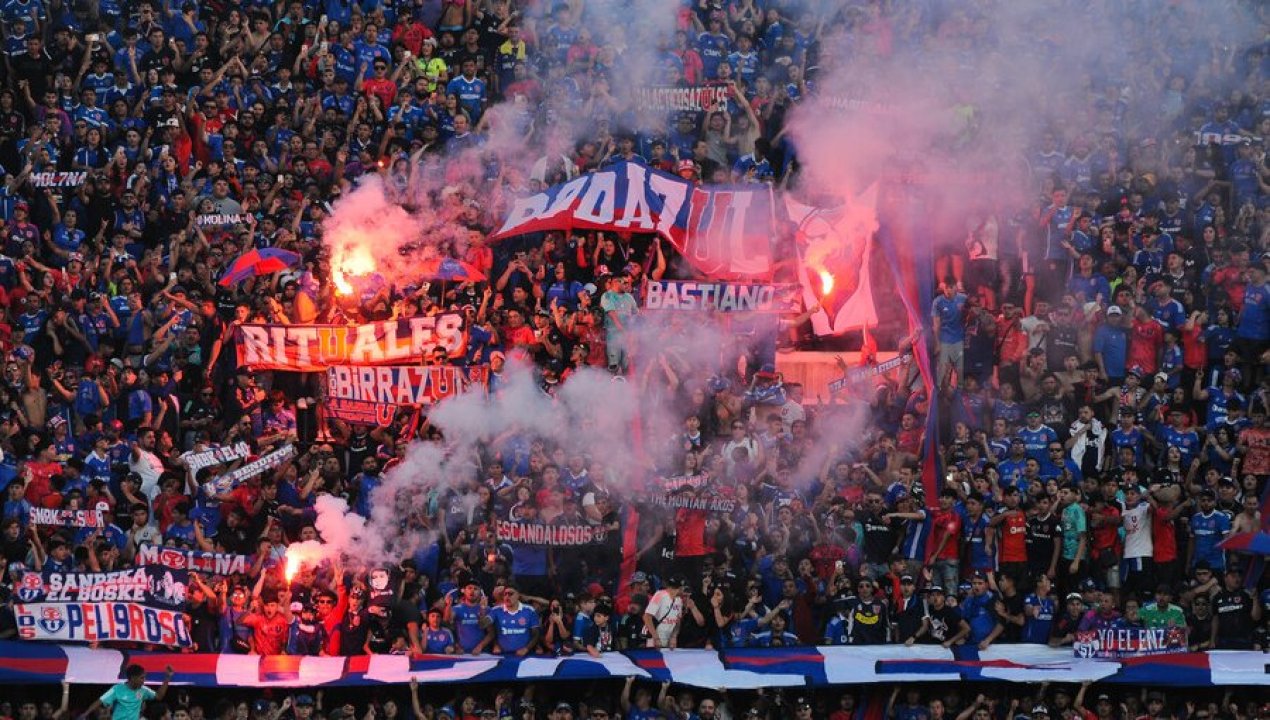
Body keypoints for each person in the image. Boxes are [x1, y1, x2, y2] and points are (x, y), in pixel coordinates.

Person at [78, 664, 172, 720]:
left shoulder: (143, 690)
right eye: (141, 678)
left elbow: (159, 696)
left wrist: (167, 677)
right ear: (133, 678)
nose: (144, 680)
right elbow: (100, 700)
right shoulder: (117, 689)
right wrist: (85, 714)